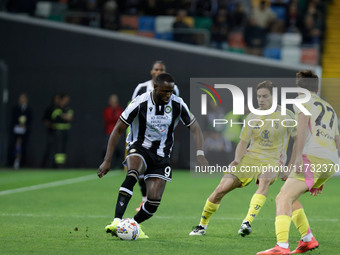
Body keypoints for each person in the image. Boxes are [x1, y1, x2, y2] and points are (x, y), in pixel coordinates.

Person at [98, 73, 208, 238]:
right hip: (139, 147)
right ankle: (116, 220)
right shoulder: (140, 102)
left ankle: (132, 225)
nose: (168, 95)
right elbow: (118, 129)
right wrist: (107, 160)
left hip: (162, 156)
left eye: (170, 91)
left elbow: (196, 128)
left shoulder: (177, 104)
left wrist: (200, 153)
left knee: (154, 201)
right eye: (164, 91)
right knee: (133, 173)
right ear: (155, 88)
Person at [189, 80, 297, 237]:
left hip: (273, 160)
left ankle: (247, 222)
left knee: (265, 180)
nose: (261, 100)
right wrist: (237, 160)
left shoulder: (287, 116)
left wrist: (290, 166)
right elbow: (243, 142)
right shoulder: (252, 116)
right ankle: (202, 226)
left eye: (265, 96)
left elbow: (298, 141)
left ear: (273, 97)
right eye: (259, 96)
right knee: (221, 189)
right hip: (250, 158)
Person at [257, 70, 340, 254]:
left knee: (282, 197)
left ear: (298, 87)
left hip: (312, 157)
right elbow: (337, 140)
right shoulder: (329, 107)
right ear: (317, 88)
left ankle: (282, 246)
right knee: (290, 196)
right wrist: (324, 176)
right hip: (330, 161)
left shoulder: (302, 101)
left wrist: (297, 160)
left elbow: (301, 132)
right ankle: (308, 239)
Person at [131, 60, 179, 212]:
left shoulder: (174, 89)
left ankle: (149, 200)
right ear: (152, 71)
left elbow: (175, 112)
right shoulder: (141, 88)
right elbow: (131, 110)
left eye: (161, 69)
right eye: (156, 69)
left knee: (153, 171)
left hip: (161, 141)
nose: (158, 71)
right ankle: (144, 199)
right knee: (137, 170)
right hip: (141, 137)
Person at [10, 93, 32, 168]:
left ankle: (22, 163)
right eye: (21, 98)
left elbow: (30, 120)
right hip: (16, 130)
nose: (22, 100)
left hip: (25, 131)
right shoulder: (15, 108)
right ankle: (14, 161)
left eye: (24, 98)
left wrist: (25, 126)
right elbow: (13, 119)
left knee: (23, 146)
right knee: (16, 145)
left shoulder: (28, 109)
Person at [51, 93, 74, 168]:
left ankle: (62, 164)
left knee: (63, 147)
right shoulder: (56, 108)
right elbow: (55, 116)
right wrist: (64, 116)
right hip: (58, 130)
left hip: (65, 130)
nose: (67, 101)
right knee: (58, 147)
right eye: (65, 99)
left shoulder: (68, 109)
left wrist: (62, 115)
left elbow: (70, 117)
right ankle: (57, 164)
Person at [103, 94, 123, 168]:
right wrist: (116, 118)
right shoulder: (107, 110)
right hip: (109, 132)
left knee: (118, 148)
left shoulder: (120, 110)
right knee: (107, 148)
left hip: (118, 133)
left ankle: (116, 164)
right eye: (112, 102)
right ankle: (106, 163)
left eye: (115, 102)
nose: (114, 103)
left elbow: (121, 119)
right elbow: (108, 119)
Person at [41, 94, 59, 168]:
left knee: (57, 150)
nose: (57, 100)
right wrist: (50, 124)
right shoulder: (50, 109)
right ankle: (44, 165)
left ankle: (56, 165)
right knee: (49, 148)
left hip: (59, 132)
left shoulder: (60, 109)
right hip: (51, 131)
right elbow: (44, 120)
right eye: (56, 99)